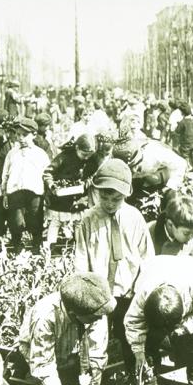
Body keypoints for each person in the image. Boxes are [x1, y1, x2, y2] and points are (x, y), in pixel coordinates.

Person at [75, 159, 155, 372]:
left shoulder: (134, 218)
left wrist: (141, 286)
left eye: (116, 199)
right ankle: (94, 384)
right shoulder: (88, 220)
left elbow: (147, 256)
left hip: (128, 290)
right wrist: (85, 291)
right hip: (99, 293)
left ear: (126, 195)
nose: (110, 203)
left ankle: (133, 378)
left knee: (130, 337)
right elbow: (81, 257)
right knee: (95, 340)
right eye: (105, 197)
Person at [13, 272, 116, 385]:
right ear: (74, 314)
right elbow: (44, 364)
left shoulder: (95, 308)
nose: (101, 318)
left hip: (70, 357)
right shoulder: (45, 316)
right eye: (96, 316)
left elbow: (96, 352)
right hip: (35, 356)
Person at [123, 255, 193, 385]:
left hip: (188, 268)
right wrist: (139, 352)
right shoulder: (143, 293)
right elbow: (133, 323)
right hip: (154, 267)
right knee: (148, 342)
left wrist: (183, 329)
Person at [1, 117, 51, 253]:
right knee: (16, 223)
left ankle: (36, 246)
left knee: (35, 221)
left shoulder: (40, 154)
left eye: (25, 135)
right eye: (18, 135)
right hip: (16, 193)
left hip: (34, 193)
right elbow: (5, 174)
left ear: (34, 135)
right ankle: (17, 246)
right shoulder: (12, 154)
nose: (21, 138)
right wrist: (5, 193)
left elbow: (47, 173)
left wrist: (47, 194)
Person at [42, 133, 97, 251]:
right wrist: (52, 185)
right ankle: (50, 247)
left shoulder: (91, 160)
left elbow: (93, 175)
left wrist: (86, 184)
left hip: (78, 197)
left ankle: (79, 247)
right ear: (77, 148)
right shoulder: (64, 157)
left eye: (89, 155)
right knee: (56, 221)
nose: (86, 158)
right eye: (84, 154)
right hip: (61, 197)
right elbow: (48, 172)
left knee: (79, 222)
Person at [111, 135, 188, 207]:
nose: (134, 170)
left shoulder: (154, 152)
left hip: (164, 179)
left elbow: (181, 164)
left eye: (137, 166)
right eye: (130, 168)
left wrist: (169, 187)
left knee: (169, 202)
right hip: (144, 181)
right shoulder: (116, 158)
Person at [147, 192, 193, 260]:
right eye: (186, 233)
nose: (191, 238)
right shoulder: (147, 233)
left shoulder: (192, 242)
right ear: (170, 224)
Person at [173, 102, 193, 171]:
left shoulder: (182, 122)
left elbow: (177, 131)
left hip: (185, 143)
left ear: (182, 113)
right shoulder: (192, 121)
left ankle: (187, 167)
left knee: (185, 156)